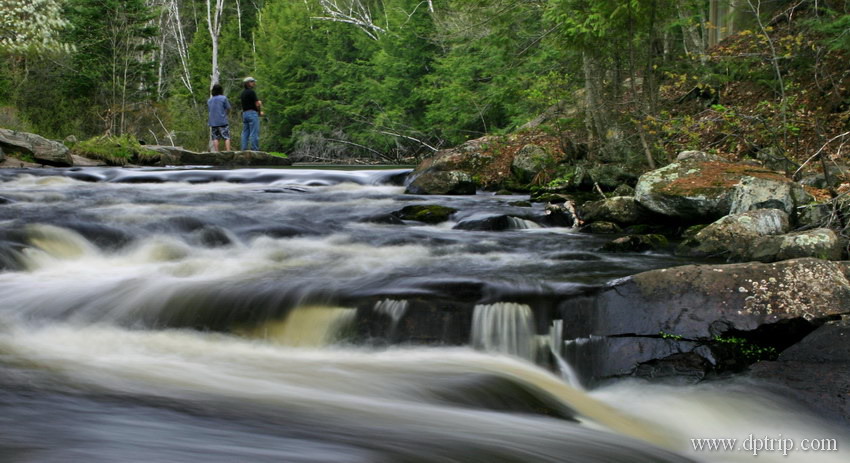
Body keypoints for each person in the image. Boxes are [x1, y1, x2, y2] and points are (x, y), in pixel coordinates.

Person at [240, 76, 264, 151]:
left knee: (245, 133)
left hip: (245, 114)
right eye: (252, 81)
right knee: (254, 132)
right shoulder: (252, 92)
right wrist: (259, 112)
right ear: (248, 83)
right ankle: (255, 149)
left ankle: (244, 149)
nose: (254, 83)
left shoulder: (242, 93)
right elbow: (257, 104)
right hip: (252, 113)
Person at [207, 83, 232, 152]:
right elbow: (228, 108)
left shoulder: (209, 100)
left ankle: (216, 152)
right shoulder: (223, 98)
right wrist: (226, 114)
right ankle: (228, 151)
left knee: (215, 138)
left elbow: (209, 110)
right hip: (222, 121)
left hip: (213, 122)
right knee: (226, 137)